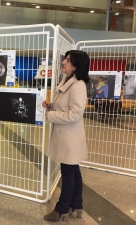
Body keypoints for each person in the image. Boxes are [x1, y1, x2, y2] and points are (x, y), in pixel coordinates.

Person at [42, 50, 90, 222]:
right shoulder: (67, 81)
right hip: (67, 136)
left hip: (69, 137)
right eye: (65, 59)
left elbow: (75, 114)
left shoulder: (78, 85)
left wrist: (50, 115)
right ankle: (76, 204)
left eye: (68, 60)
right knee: (73, 172)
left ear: (76, 66)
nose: (63, 62)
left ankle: (62, 209)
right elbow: (64, 106)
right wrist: (51, 105)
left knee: (68, 173)